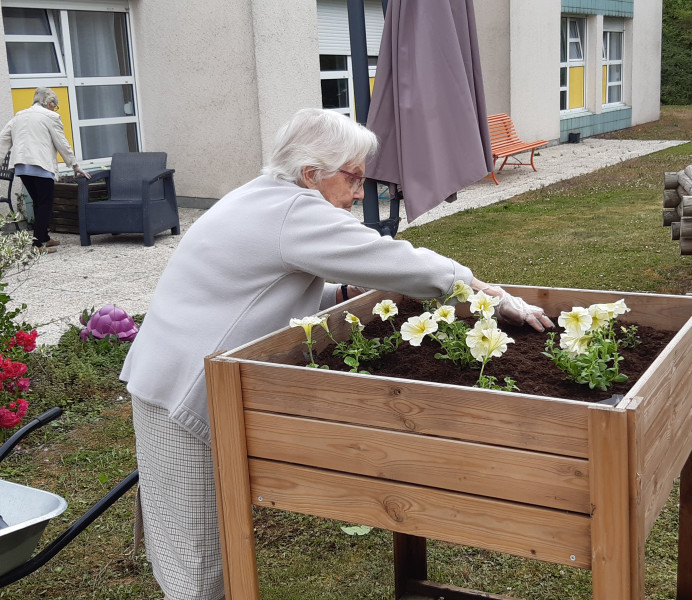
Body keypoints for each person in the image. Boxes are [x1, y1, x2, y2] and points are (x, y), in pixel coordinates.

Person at [120, 107, 554, 600]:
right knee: (195, 559)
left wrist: (342, 296)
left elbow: (269, 292)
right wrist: (493, 295)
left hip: (173, 371)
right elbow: (396, 259)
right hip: (182, 388)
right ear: (311, 174)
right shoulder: (293, 210)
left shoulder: (262, 197)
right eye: (353, 178)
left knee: (193, 531)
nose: (356, 193)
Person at [0, 87, 91, 253]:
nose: (54, 108)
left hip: (22, 167)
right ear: (49, 103)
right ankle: (37, 245)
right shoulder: (51, 116)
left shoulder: (19, 115)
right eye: (54, 105)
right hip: (40, 165)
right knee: (44, 204)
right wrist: (75, 165)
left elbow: (3, 138)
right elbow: (61, 142)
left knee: (38, 202)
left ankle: (44, 238)